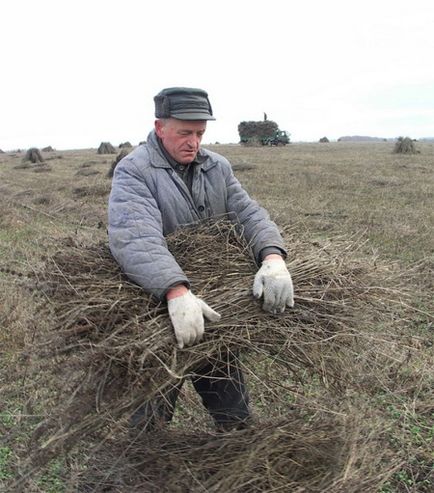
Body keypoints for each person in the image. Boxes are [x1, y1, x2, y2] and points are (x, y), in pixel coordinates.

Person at [108, 87, 294, 432]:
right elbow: (135, 237)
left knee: (234, 415)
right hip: (161, 314)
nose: (193, 142)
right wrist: (175, 291)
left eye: (200, 133)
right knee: (149, 422)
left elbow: (248, 215)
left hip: (215, 307)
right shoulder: (135, 171)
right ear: (160, 127)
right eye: (184, 133)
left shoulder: (216, 167)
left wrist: (272, 256)